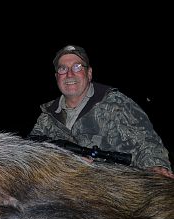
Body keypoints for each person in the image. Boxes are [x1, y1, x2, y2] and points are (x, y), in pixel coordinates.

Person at [29, 45, 174, 178]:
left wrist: (156, 167)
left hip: (115, 191)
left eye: (77, 67)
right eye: (62, 69)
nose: (69, 74)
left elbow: (147, 143)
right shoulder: (47, 117)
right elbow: (32, 153)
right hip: (66, 192)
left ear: (89, 73)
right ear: (56, 77)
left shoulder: (116, 103)